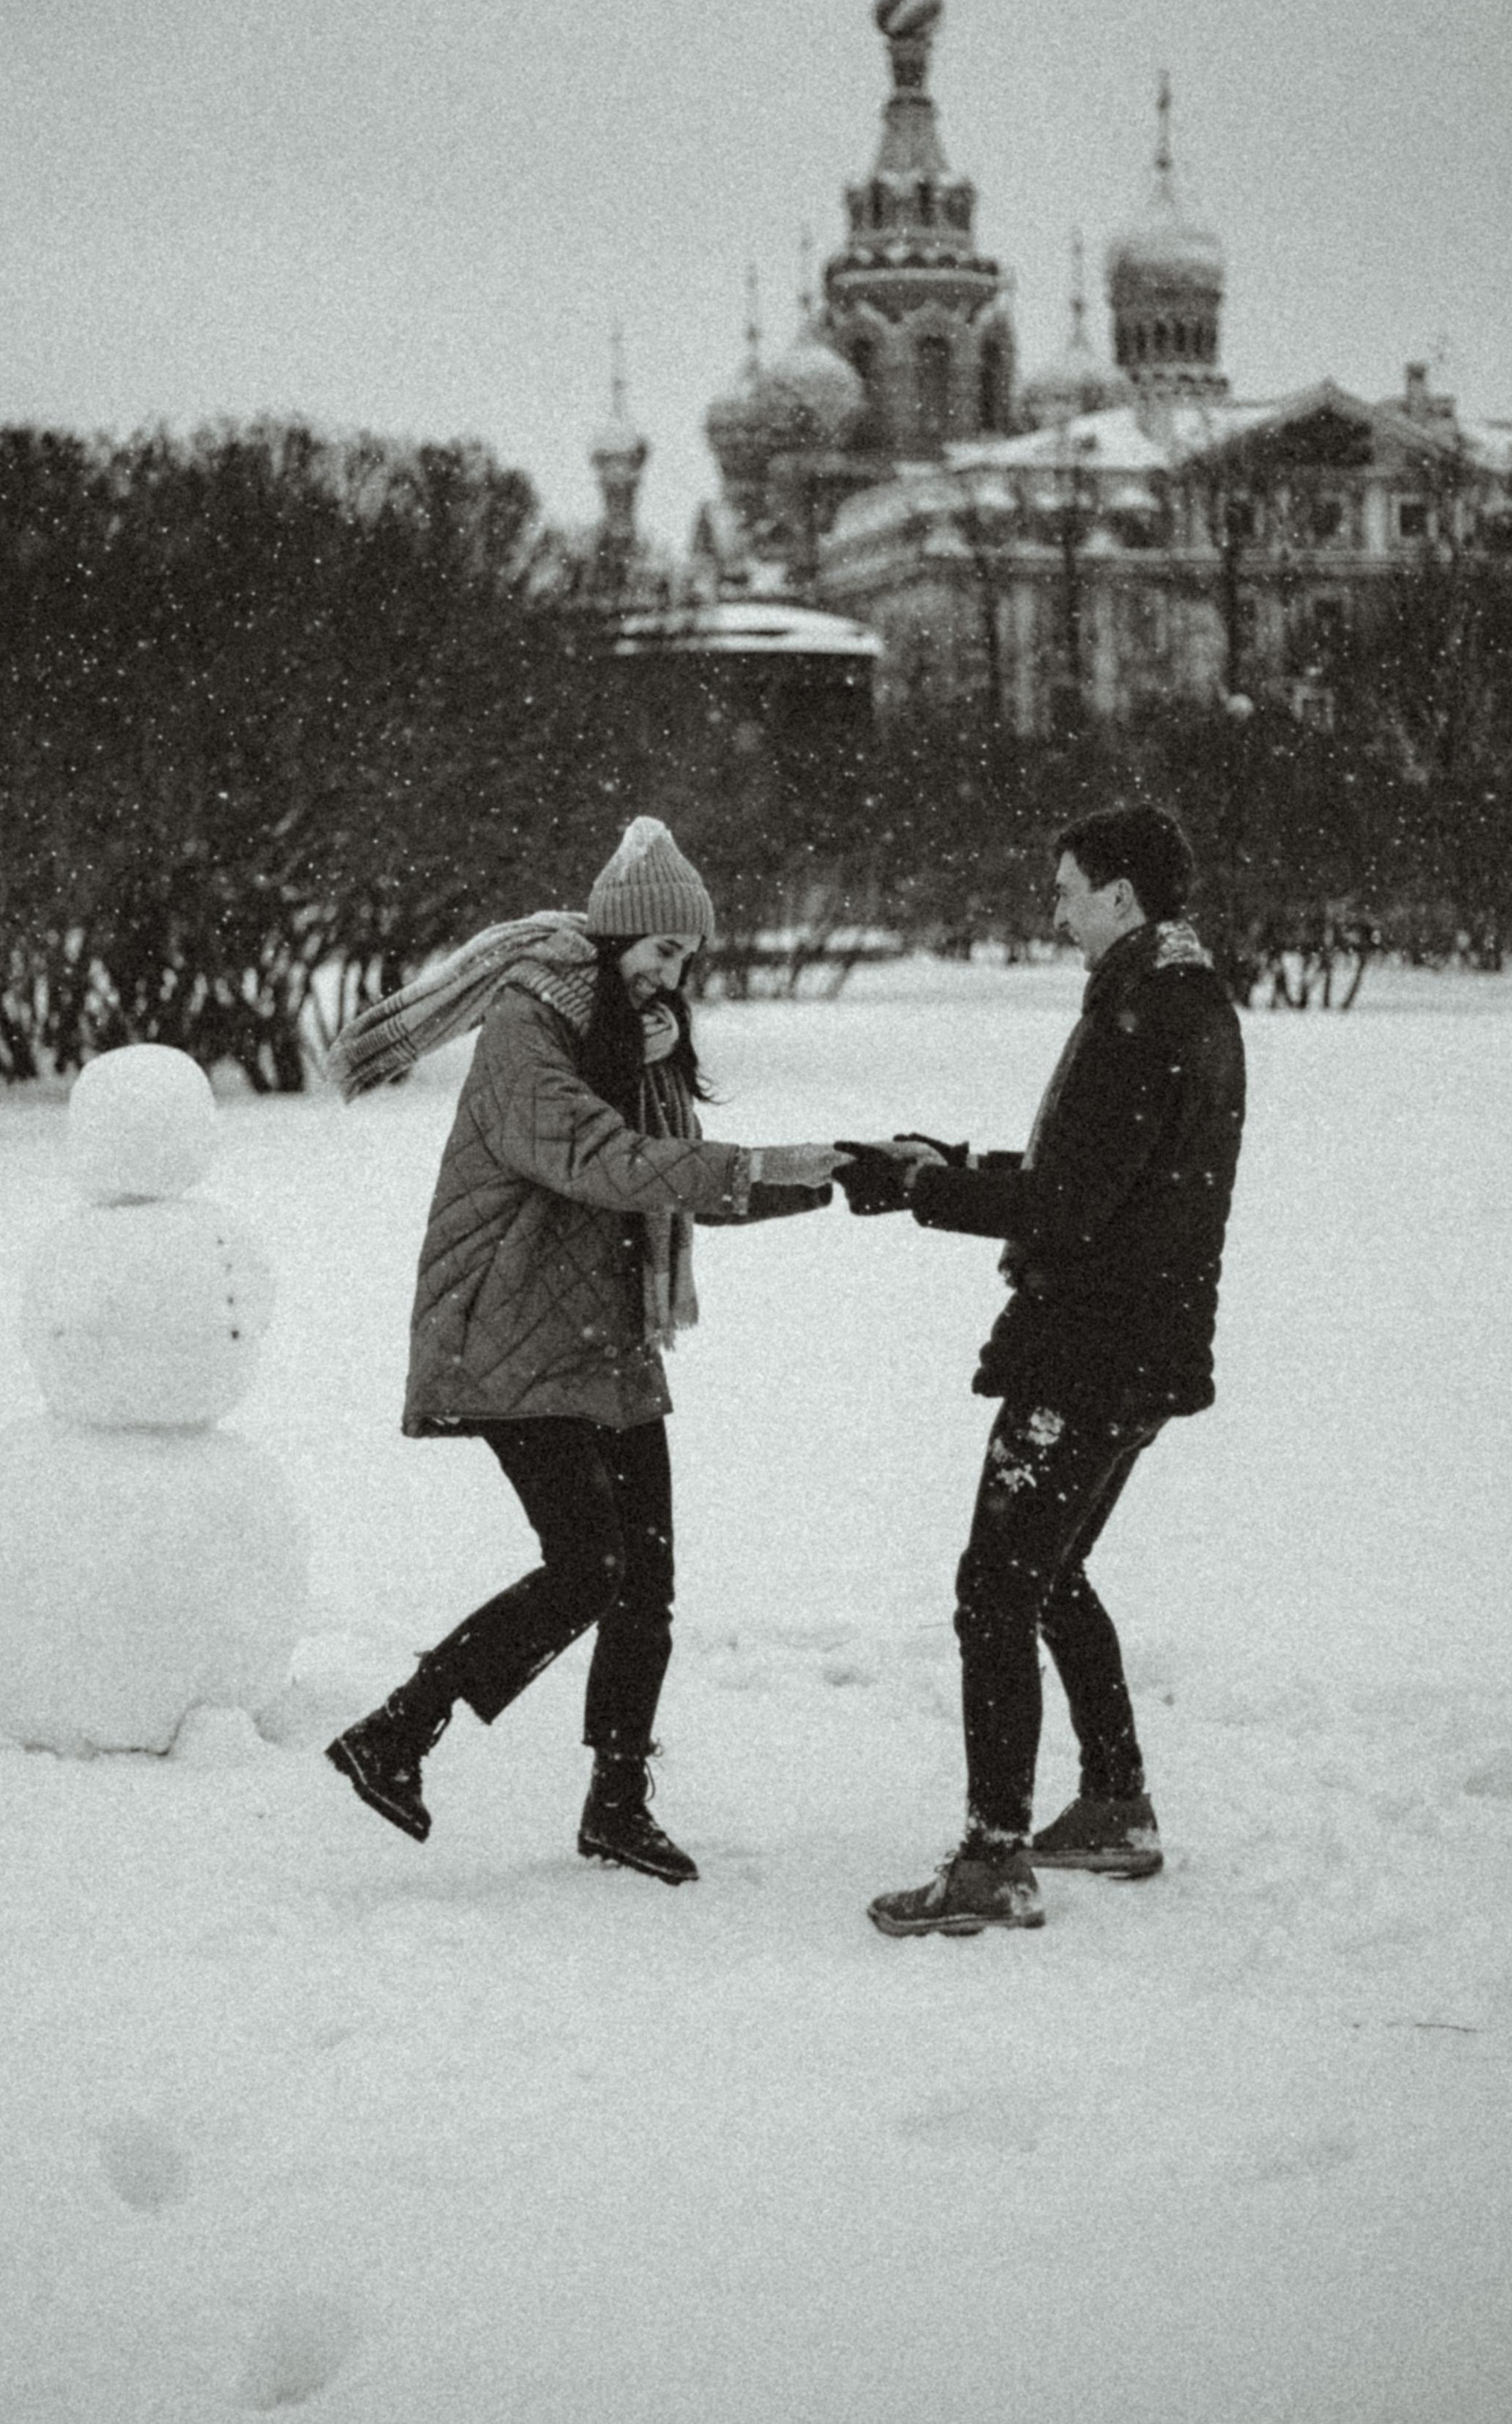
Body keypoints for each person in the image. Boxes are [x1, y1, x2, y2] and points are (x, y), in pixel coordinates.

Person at [322, 817, 842, 1886]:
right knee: (588, 1564)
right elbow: (611, 1165)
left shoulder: (626, 1040)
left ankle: (617, 1803)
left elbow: (675, 1171)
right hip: (507, 1327)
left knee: (644, 1577)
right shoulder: (532, 1027)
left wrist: (829, 1177)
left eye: (687, 956)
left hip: (606, 1339)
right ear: (610, 939)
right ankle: (398, 1730)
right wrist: (767, 1163)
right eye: (659, 950)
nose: (674, 971)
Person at [837, 801, 1246, 1938]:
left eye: (1067, 889)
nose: (1056, 910)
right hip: (1145, 1345)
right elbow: (1103, 1175)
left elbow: (1069, 1207)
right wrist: (955, 1163)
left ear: (1120, 896)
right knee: (1050, 1573)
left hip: (1090, 1351)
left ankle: (993, 1857)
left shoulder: (1143, 1012)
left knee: (995, 1590)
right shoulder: (1185, 999)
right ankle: (1115, 1803)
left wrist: (922, 1192)